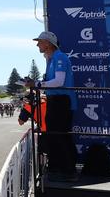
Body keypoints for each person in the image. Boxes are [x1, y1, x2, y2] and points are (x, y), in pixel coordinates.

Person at [28, 31, 77, 181]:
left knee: (61, 136)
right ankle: (58, 169)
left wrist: (36, 84)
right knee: (55, 136)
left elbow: (59, 82)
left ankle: (68, 171)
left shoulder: (59, 57)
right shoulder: (51, 59)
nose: (37, 44)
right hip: (55, 101)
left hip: (62, 101)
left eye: (40, 42)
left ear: (48, 44)